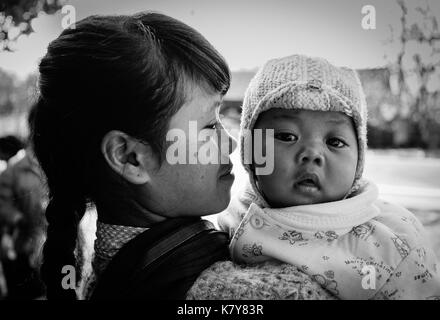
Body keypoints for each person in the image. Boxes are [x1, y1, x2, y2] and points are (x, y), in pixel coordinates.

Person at [31, 12, 335, 300]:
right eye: (209, 125)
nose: (229, 144)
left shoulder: (108, 269)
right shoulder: (245, 293)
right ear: (130, 158)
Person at [218, 54, 440, 299]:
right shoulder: (233, 217)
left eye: (334, 141)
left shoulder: (392, 241)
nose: (312, 154)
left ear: (359, 160)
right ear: (250, 150)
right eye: (287, 136)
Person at [0, 109, 47, 299]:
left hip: (60, 244)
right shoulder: (15, 168)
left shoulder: (61, 165)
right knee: (25, 292)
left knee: (63, 285)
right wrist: (17, 218)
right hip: (25, 247)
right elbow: (2, 203)